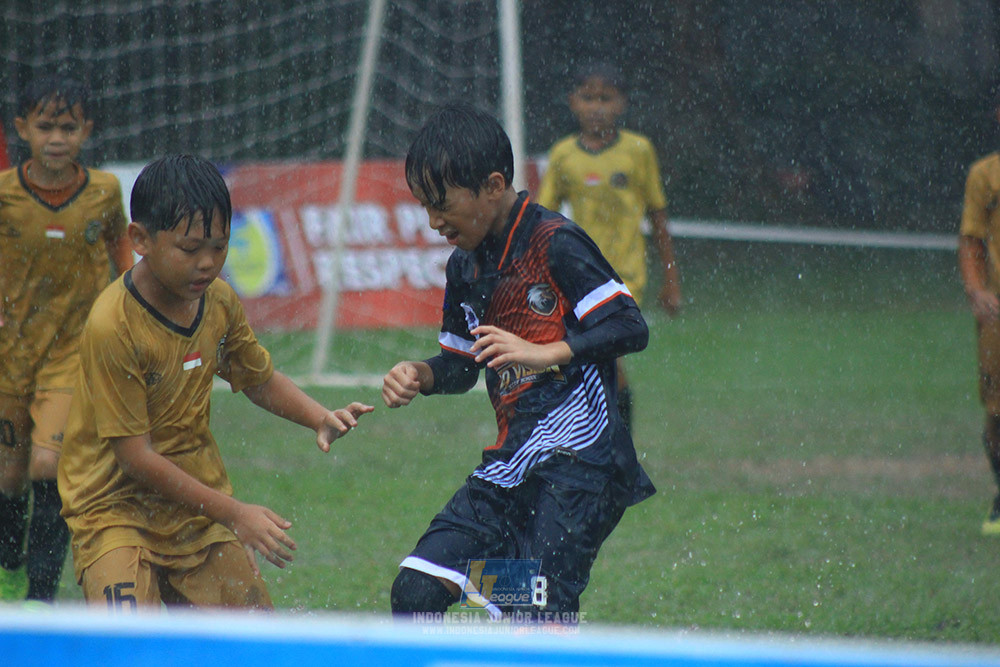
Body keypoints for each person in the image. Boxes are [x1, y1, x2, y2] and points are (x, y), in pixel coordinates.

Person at [57, 154, 373, 611]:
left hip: (193, 509)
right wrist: (236, 515)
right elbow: (136, 458)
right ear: (140, 239)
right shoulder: (113, 324)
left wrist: (317, 417)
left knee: (253, 645)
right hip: (113, 512)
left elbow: (256, 378)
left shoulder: (218, 300)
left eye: (219, 247)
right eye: (190, 249)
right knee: (129, 651)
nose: (208, 263)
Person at [382, 103, 655, 623]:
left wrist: (549, 351)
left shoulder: (555, 242)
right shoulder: (465, 266)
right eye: (424, 206)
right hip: (511, 466)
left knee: (538, 611)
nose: (433, 221)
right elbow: (461, 366)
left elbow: (629, 326)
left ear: (493, 184)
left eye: (441, 205)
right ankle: (507, 606)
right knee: (416, 591)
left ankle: (526, 614)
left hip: (581, 467)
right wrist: (420, 373)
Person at [0, 75, 134, 602]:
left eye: (69, 127)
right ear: (23, 129)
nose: (57, 138)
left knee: (47, 465)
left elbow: (120, 243)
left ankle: (41, 593)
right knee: (9, 476)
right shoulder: (5, 193)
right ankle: (10, 553)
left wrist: (127, 298)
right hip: (10, 355)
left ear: (86, 131)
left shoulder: (103, 191)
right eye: (46, 126)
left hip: (71, 352)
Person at [537, 61, 681, 433]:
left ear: (621, 104)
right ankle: (607, 444)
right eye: (588, 97)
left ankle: (617, 446)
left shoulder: (638, 150)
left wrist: (672, 279)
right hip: (580, 275)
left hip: (626, 276)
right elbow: (543, 218)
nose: (596, 106)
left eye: (606, 97)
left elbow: (658, 216)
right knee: (595, 360)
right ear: (573, 102)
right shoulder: (563, 154)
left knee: (605, 355)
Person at [959, 97, 1000, 535]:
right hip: (997, 310)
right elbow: (971, 240)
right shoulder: (985, 175)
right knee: (997, 410)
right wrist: (976, 291)